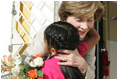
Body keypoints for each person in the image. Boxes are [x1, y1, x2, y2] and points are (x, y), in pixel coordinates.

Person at [24, 1, 104, 79]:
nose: (85, 26)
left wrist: (84, 67)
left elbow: (92, 76)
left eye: (90, 20)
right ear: (65, 16)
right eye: (79, 20)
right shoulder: (49, 33)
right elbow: (27, 64)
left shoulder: (87, 39)